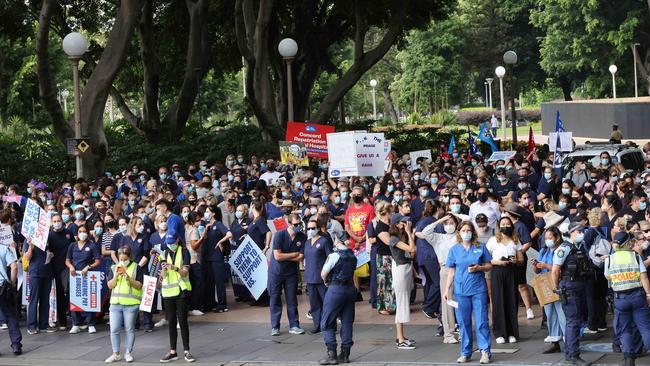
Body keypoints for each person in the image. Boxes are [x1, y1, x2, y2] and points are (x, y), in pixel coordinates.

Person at [443, 221, 492, 364]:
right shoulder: (454, 250)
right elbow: (451, 271)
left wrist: (479, 268)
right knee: (463, 323)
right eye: (463, 230)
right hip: (460, 292)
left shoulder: (480, 247)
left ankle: (485, 351)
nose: (466, 233)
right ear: (459, 232)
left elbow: (489, 265)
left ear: (473, 232)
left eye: (468, 230)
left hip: (478, 290)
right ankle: (466, 352)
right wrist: (447, 290)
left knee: (482, 321)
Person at [551, 222, 594, 365]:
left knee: (576, 320)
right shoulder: (564, 248)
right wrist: (557, 287)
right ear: (571, 233)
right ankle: (573, 354)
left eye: (582, 230)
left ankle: (571, 353)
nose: (582, 233)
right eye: (579, 231)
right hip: (569, 286)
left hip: (580, 285)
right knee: (573, 322)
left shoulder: (581, 247)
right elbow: (555, 270)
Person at [604, 232, 650, 366]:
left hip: (620, 298)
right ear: (628, 243)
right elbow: (644, 277)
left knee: (625, 330)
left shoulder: (610, 259)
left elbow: (608, 277)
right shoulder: (635, 256)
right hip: (637, 297)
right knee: (645, 328)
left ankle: (629, 360)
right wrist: (648, 295)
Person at [418, 213, 460, 343]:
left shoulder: (460, 237)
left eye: (451, 223)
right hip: (446, 270)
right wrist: (441, 220)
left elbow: (470, 222)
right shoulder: (438, 238)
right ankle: (448, 334)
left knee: (462, 301)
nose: (449, 225)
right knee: (447, 302)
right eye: (446, 224)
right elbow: (425, 232)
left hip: (461, 270)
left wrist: (455, 215)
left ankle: (462, 330)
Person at [318, 238, 358, 365]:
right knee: (347, 322)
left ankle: (332, 354)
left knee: (327, 322)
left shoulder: (334, 255)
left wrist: (325, 281)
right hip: (350, 289)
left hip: (336, 289)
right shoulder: (353, 255)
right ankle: (345, 354)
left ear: (337, 241)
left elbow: (323, 274)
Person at [159, 230, 195, 363]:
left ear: (177, 240)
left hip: (181, 291)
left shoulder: (184, 251)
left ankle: (187, 351)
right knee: (171, 322)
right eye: (168, 243)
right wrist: (164, 267)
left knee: (183, 321)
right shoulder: (165, 253)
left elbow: (185, 273)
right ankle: (173, 351)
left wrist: (174, 268)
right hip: (168, 292)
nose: (170, 245)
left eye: (172, 242)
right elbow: (162, 276)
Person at [486, 216, 523, 344]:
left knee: (511, 301)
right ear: (499, 226)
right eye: (503, 224)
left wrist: (515, 261)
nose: (505, 226)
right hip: (497, 272)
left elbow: (521, 259)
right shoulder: (492, 241)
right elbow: (486, 258)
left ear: (511, 226)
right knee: (498, 301)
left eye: (508, 224)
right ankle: (499, 332)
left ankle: (512, 332)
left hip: (511, 272)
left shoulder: (515, 241)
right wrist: (497, 262)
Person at [268, 214, 306, 336]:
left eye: (299, 224)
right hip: (276, 272)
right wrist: (293, 254)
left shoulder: (301, 237)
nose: (298, 227)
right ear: (289, 224)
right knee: (275, 298)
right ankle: (275, 326)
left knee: (292, 299)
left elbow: (301, 257)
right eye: (295, 225)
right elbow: (277, 256)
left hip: (290, 273)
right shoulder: (279, 235)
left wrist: (287, 256)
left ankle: (294, 325)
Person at [105, 245, 144, 363]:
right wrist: (116, 277)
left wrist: (128, 278)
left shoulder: (137, 267)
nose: (122, 261)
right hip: (115, 304)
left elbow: (139, 285)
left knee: (129, 329)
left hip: (131, 304)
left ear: (129, 257)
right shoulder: (113, 267)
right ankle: (116, 354)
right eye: (120, 259)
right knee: (114, 329)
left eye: (124, 259)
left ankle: (128, 352)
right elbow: (110, 286)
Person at [532, 226, 565, 354]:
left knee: (562, 314)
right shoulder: (544, 251)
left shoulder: (561, 250)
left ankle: (569, 342)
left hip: (559, 284)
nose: (547, 240)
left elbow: (560, 270)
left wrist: (546, 265)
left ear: (557, 238)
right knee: (550, 314)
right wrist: (536, 265)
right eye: (546, 238)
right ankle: (554, 342)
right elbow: (537, 270)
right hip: (546, 285)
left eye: (550, 238)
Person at [388, 213, 417, 350]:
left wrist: (408, 234)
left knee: (403, 301)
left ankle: (401, 336)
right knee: (401, 303)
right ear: (396, 224)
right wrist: (409, 233)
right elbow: (411, 249)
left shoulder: (402, 236)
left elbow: (412, 252)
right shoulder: (393, 239)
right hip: (400, 270)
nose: (404, 225)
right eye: (402, 223)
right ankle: (400, 339)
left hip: (406, 268)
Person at [66, 225, 101, 334]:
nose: (82, 233)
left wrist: (89, 267)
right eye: (80, 231)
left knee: (88, 299)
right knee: (74, 298)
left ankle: (90, 323)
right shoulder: (72, 245)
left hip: (87, 275)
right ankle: (75, 324)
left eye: (84, 231)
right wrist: (71, 266)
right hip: (75, 276)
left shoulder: (92, 245)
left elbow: (98, 260)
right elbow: (67, 260)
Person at [302, 214, 333, 334]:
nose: (310, 230)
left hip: (322, 278)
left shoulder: (324, 241)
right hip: (310, 277)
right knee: (314, 304)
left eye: (313, 228)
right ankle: (317, 325)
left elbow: (331, 258)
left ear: (318, 228)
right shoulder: (307, 242)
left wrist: (327, 274)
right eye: (308, 228)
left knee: (327, 303)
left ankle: (329, 325)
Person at [374, 201, 396, 315]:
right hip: (384, 258)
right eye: (390, 211)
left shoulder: (389, 224)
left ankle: (391, 304)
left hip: (390, 256)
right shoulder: (381, 227)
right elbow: (389, 242)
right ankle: (384, 306)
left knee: (391, 281)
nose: (392, 213)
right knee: (384, 282)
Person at [0, 240, 22, 355]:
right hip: (3, 287)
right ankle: (16, 344)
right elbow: (14, 267)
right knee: (11, 316)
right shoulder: (4, 248)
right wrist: (12, 284)